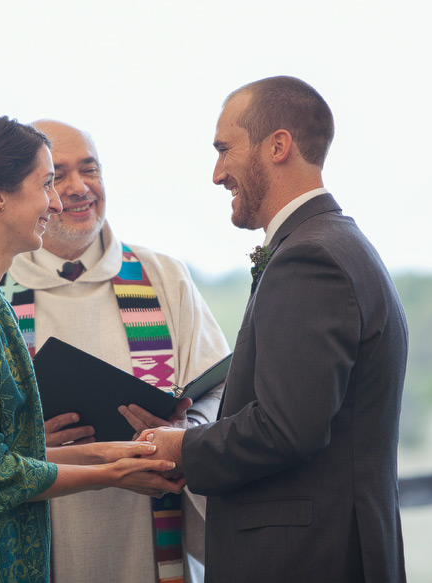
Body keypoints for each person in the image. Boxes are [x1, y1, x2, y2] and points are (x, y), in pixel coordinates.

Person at [0, 112, 185, 583]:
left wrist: (112, 453)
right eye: (46, 183)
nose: (55, 201)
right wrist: (112, 473)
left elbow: (12, 451)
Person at [139, 76, 409, 582]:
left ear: (278, 145)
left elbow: (286, 429)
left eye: (224, 149)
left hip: (303, 559)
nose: (217, 174)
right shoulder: (335, 242)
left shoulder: (310, 258)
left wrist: (182, 448)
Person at [0, 119, 231, 583]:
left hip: (147, 530)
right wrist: (26, 444)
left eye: (91, 169)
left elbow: (222, 388)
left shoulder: (163, 277)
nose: (80, 187)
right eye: (57, 176)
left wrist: (184, 431)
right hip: (49, 529)